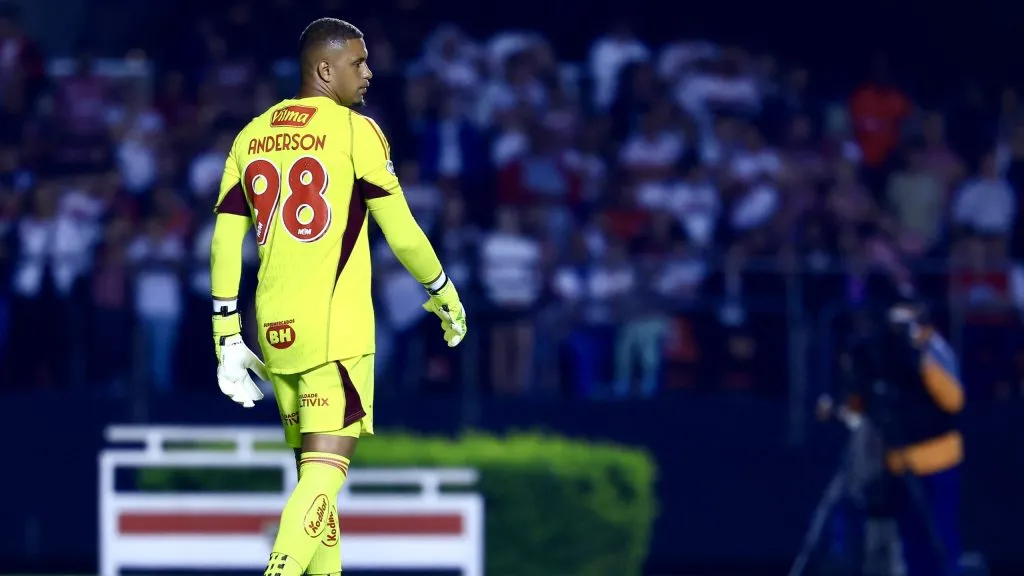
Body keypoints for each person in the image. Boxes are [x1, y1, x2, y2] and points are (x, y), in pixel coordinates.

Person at [207, 18, 467, 576]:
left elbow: (225, 241)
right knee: (325, 477)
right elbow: (401, 230)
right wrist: (442, 288)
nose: (369, 73)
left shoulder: (251, 135)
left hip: (274, 331)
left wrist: (225, 332)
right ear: (325, 69)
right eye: (358, 62)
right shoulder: (356, 131)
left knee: (314, 483)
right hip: (334, 330)